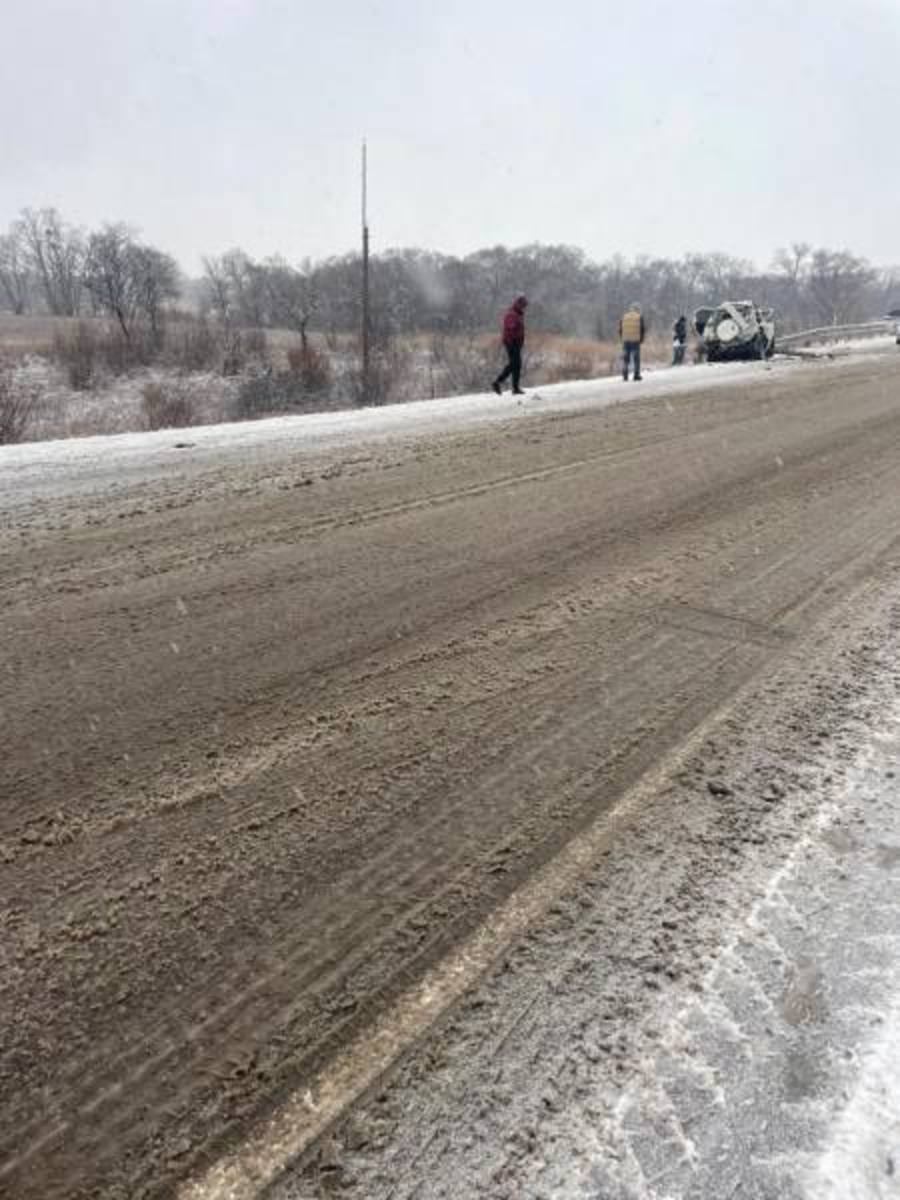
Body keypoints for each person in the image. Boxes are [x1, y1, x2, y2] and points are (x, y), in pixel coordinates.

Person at [492, 296, 528, 395]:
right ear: (518, 304)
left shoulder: (518, 314)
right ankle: (497, 382)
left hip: (515, 343)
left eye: (525, 306)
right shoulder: (512, 314)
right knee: (514, 364)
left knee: (517, 365)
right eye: (523, 306)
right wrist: (514, 339)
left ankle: (514, 388)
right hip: (511, 343)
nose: (524, 308)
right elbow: (510, 329)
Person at [619, 302, 645, 381]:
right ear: (637, 310)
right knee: (636, 358)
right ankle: (636, 375)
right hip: (635, 340)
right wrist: (641, 339)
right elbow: (642, 329)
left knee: (626, 358)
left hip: (626, 340)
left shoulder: (624, 316)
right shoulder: (639, 317)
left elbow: (620, 329)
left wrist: (622, 338)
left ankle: (625, 375)